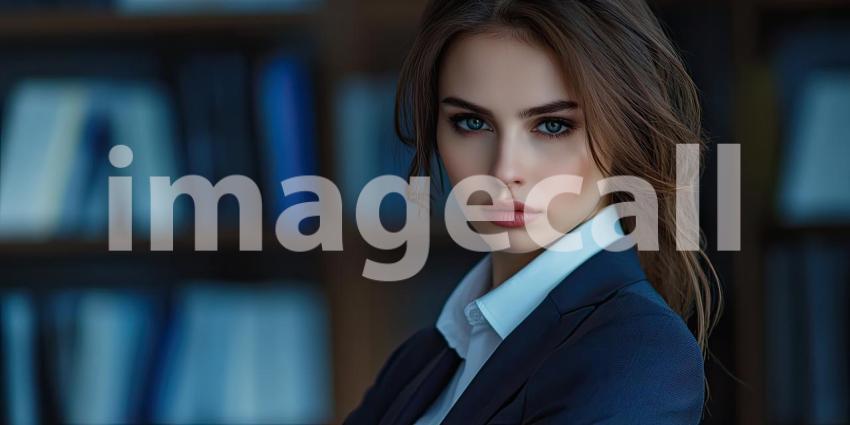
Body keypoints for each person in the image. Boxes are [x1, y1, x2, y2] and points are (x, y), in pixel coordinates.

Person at [345, 0, 720, 423]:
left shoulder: (640, 354)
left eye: (552, 125)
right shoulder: (422, 358)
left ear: (626, 133)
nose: (504, 170)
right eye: (471, 122)